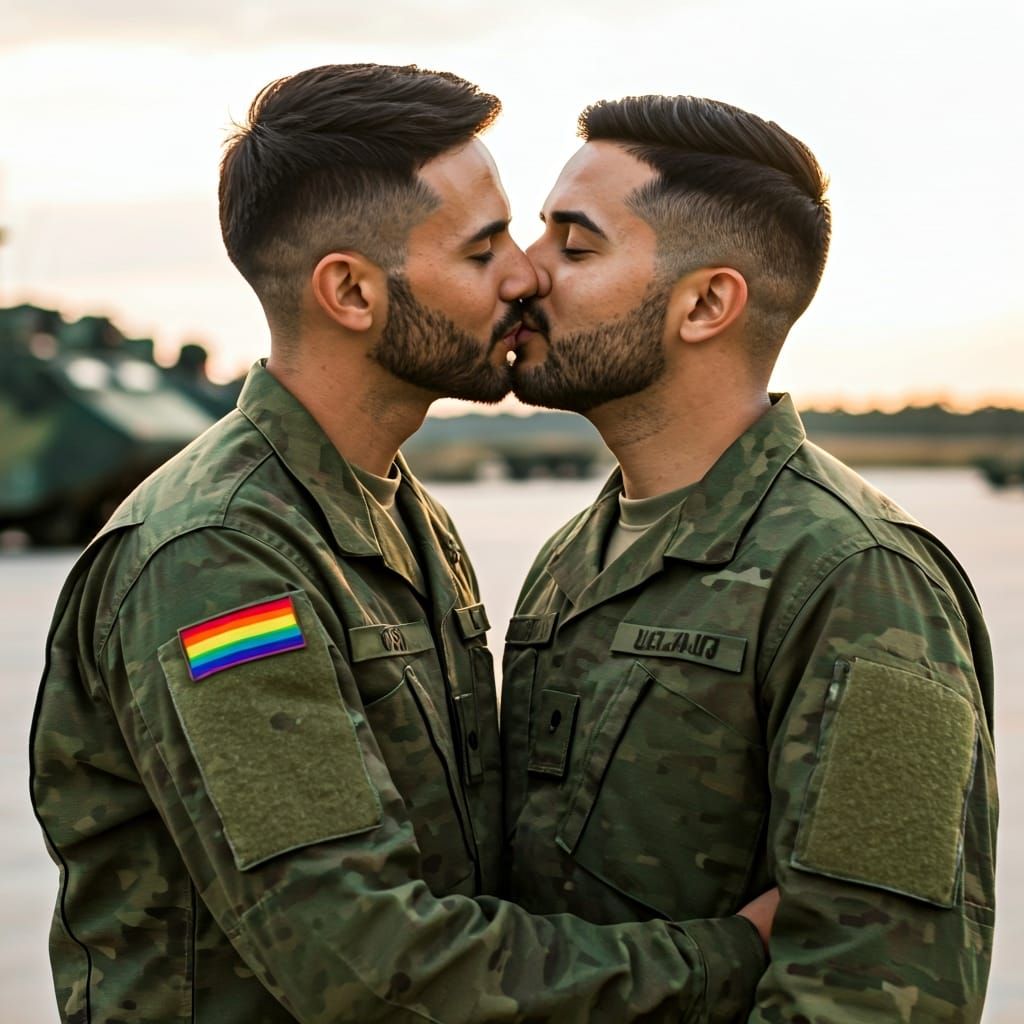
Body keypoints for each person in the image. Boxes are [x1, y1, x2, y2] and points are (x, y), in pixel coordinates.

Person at [30, 66, 778, 1024]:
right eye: (480, 251)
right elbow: (365, 962)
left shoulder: (394, 512)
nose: (524, 275)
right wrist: (729, 957)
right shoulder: (219, 561)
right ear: (350, 291)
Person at [503, 94, 997, 1021]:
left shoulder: (859, 579)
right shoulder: (572, 558)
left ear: (706, 304)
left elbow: (875, 991)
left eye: (574, 246)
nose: (523, 274)